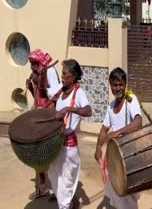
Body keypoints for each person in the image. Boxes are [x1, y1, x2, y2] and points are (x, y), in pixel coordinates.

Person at [94, 67, 142, 209]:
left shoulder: (131, 100)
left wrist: (117, 133)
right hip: (114, 158)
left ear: (125, 85)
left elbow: (138, 122)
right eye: (115, 85)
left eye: (121, 84)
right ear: (110, 86)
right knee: (116, 193)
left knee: (127, 196)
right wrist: (98, 147)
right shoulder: (111, 107)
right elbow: (104, 130)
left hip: (129, 155)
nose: (118, 88)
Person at [48, 59, 92, 209]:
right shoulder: (61, 91)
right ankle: (71, 203)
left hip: (69, 147)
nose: (62, 77)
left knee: (66, 182)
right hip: (56, 144)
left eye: (65, 74)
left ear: (73, 76)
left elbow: (88, 110)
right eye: (62, 74)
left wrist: (69, 109)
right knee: (54, 176)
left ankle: (66, 205)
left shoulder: (79, 93)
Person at [26, 49, 62, 200]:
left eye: (35, 63)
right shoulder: (38, 72)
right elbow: (37, 95)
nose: (32, 67)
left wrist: (41, 78)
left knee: (50, 154)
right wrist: (30, 86)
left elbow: (53, 94)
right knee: (37, 154)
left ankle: (55, 190)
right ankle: (41, 187)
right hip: (38, 115)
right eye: (31, 64)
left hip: (47, 118)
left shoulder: (49, 71)